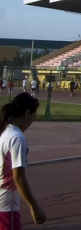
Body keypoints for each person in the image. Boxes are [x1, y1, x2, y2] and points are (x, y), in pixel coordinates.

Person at [0, 93, 46, 227]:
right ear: (27, 114)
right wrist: (34, 206)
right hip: (6, 206)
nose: (31, 123)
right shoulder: (17, 138)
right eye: (33, 117)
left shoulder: (3, 131)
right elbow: (18, 177)